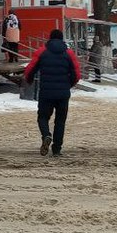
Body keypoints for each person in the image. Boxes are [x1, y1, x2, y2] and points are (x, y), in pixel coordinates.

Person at [23, 28, 81, 157]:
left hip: (46, 93)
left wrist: (29, 80)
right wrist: (68, 85)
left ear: (50, 38)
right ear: (62, 39)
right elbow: (77, 74)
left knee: (43, 117)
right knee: (60, 121)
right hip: (63, 94)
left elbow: (30, 69)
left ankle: (46, 135)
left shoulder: (42, 51)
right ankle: (57, 149)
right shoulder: (69, 53)